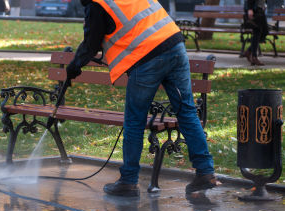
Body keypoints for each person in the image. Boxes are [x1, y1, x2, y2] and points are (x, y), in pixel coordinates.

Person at [66, 0, 218, 197]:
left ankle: (128, 181)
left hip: (148, 57)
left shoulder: (97, 4)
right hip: (174, 44)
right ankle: (205, 171)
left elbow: (90, 43)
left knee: (134, 120)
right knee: (186, 111)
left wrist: (74, 67)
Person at [243, 0, 268, 66]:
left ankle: (249, 51)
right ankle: (254, 56)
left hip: (260, 8)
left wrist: (264, 4)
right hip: (254, 9)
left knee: (265, 31)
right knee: (257, 31)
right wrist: (250, 8)